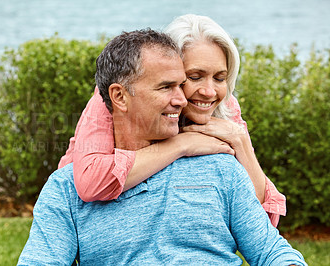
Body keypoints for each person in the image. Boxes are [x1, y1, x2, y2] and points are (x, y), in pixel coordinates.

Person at [18, 28, 306, 265]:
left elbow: (271, 251)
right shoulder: (67, 189)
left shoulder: (221, 166)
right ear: (119, 97)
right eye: (167, 86)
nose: (184, 99)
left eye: (183, 84)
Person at [57, 14, 286, 226]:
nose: (209, 91)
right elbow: (90, 183)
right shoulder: (112, 98)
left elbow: (263, 221)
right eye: (194, 77)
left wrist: (240, 141)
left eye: (220, 77)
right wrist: (181, 145)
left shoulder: (224, 105)